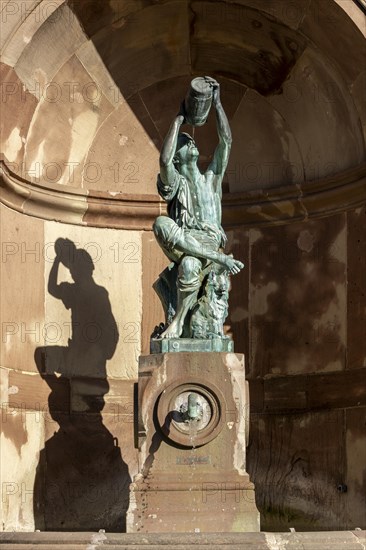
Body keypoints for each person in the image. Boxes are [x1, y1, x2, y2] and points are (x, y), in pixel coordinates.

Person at [153, 79, 244, 339]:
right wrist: (178, 121)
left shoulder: (211, 179)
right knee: (161, 224)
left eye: (189, 141)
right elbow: (163, 159)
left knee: (191, 266)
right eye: (185, 142)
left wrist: (216, 104)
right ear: (179, 156)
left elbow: (226, 141)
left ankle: (179, 323)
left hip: (207, 243)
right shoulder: (175, 181)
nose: (192, 143)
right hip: (185, 242)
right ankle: (179, 323)